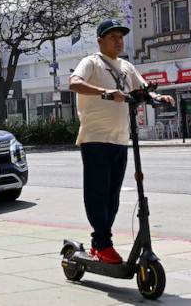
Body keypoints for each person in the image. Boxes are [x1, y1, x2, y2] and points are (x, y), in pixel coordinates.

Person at [68, 19, 175, 263]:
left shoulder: (126, 67)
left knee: (113, 196)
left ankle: (99, 244)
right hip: (95, 138)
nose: (118, 41)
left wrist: (158, 96)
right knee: (98, 193)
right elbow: (74, 83)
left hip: (120, 139)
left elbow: (144, 89)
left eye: (120, 37)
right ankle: (103, 244)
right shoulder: (92, 63)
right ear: (100, 41)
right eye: (112, 37)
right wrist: (105, 92)